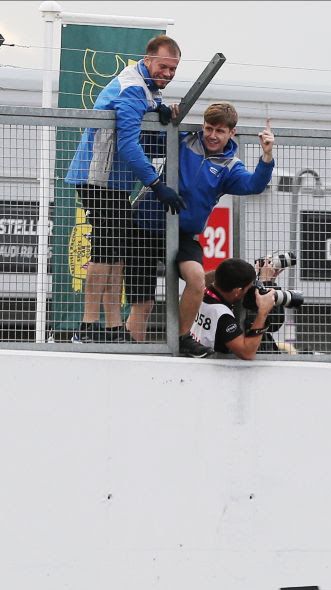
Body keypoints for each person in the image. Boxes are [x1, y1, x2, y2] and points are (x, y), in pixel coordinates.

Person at [65, 34, 184, 344]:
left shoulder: (149, 92)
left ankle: (114, 327)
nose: (168, 74)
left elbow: (149, 143)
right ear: (147, 61)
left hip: (115, 183)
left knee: (117, 251)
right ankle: (88, 326)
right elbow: (130, 145)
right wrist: (156, 184)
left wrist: (164, 124)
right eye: (163, 67)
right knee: (106, 250)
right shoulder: (133, 90)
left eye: (173, 69)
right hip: (97, 180)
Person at [132, 102, 275, 356]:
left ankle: (181, 339)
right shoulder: (184, 139)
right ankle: (130, 351)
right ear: (202, 126)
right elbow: (147, 142)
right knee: (144, 302)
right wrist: (161, 116)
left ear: (232, 133)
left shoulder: (230, 166)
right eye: (209, 128)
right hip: (147, 226)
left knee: (197, 279)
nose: (212, 135)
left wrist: (266, 156)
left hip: (183, 234)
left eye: (220, 131)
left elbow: (254, 185)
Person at [191, 257, 274, 360]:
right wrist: (263, 312)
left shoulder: (200, 293)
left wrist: (250, 275)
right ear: (237, 291)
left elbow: (216, 275)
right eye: (248, 288)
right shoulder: (222, 315)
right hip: (209, 371)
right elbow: (247, 353)